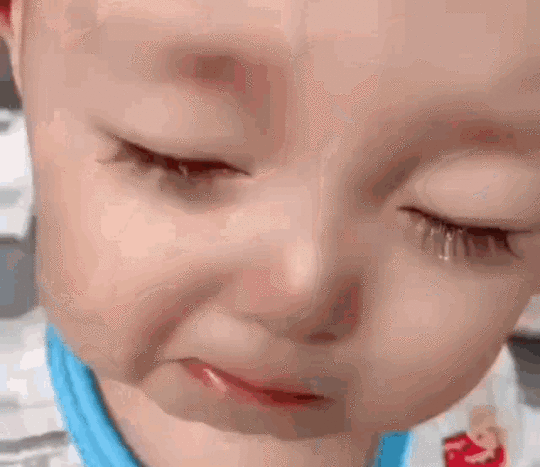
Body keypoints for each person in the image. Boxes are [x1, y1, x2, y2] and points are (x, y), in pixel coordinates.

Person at [0, 0, 539, 465]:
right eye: (183, 158)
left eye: (463, 223)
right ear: (17, 29)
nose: (300, 297)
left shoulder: (483, 416)